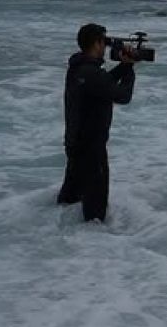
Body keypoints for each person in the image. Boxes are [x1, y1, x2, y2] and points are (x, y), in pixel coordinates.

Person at [58, 23, 137, 222]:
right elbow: (123, 96)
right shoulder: (91, 74)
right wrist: (129, 70)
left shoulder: (77, 68)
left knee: (69, 200)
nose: (105, 47)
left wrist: (124, 66)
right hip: (92, 148)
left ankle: (54, 233)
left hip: (75, 143)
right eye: (104, 42)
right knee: (95, 212)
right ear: (96, 43)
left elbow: (103, 84)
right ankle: (92, 240)